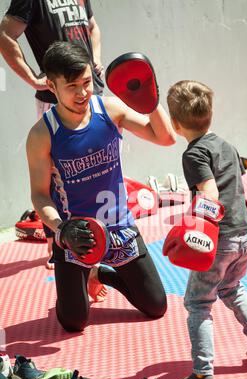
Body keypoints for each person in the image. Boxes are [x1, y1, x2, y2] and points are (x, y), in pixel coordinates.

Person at [26, 41, 176, 332]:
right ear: (51, 86)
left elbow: (165, 138)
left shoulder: (109, 109)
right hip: (76, 235)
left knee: (156, 306)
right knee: (73, 322)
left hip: (120, 226)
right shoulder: (42, 134)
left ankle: (101, 273)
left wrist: (151, 102)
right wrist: (61, 230)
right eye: (72, 86)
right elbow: (39, 194)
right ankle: (80, 274)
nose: (83, 92)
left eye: (86, 82)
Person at [166, 80, 247, 379]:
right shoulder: (227, 145)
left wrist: (194, 230)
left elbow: (210, 194)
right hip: (246, 233)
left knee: (198, 303)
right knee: (232, 288)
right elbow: (241, 170)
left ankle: (202, 371)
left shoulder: (193, 154)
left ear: (175, 124)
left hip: (222, 239)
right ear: (210, 114)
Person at [0, 0, 104, 270]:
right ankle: (56, 244)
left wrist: (96, 61)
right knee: (56, 172)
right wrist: (33, 78)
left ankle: (101, 239)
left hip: (90, 92)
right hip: (56, 98)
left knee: (99, 166)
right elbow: (5, 33)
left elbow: (92, 27)